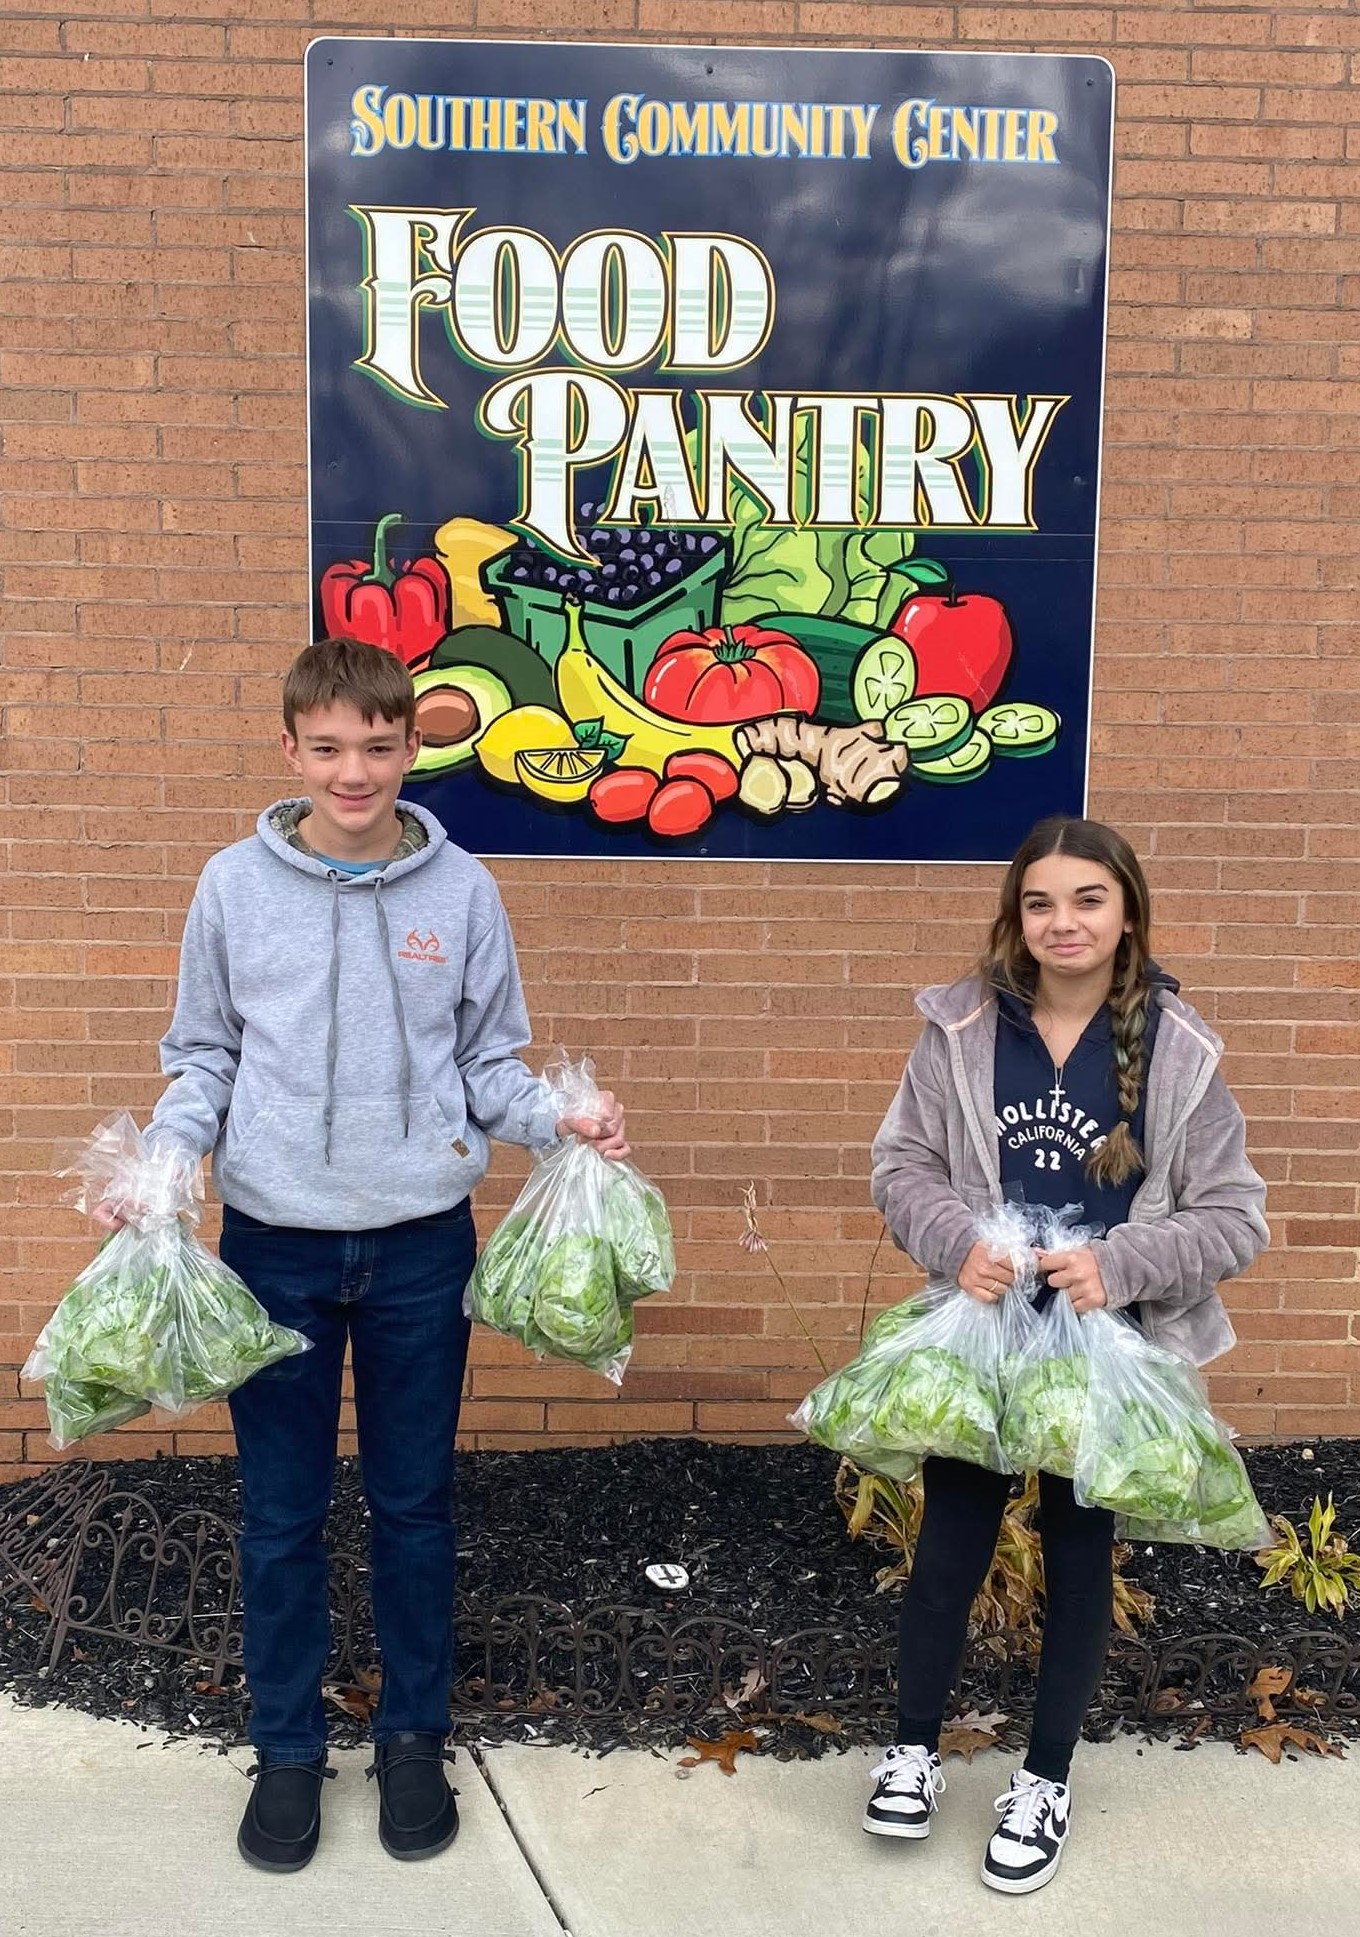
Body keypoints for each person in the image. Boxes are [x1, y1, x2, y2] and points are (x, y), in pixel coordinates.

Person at [95, 636, 629, 1873]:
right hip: (273, 1242)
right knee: (278, 1515)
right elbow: (205, 1057)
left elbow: (491, 1063)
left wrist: (562, 1116)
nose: (354, 770)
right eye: (328, 747)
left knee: (413, 1505)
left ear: (410, 748)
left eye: (377, 747)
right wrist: (165, 1163)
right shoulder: (231, 884)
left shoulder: (463, 892)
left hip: (419, 1248)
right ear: (290, 750)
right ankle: (286, 1745)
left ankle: (409, 1737)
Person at [865, 815, 1267, 1896]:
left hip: (1103, 1346)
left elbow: (1235, 1215)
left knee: (1078, 1548)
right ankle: (912, 1743)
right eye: (1040, 901)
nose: (1063, 921)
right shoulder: (960, 1028)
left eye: (1088, 898)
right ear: (1015, 916)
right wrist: (956, 1242)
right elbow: (899, 1164)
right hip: (983, 1335)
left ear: (1126, 910)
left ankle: (1044, 1776)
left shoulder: (1177, 1048)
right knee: (950, 1529)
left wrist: (1124, 1262)